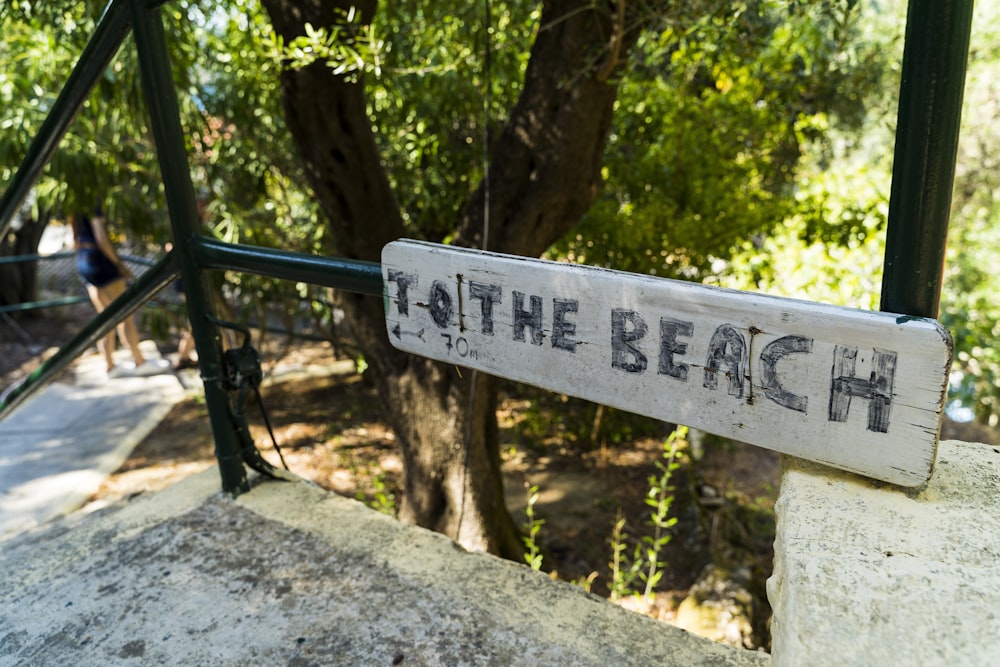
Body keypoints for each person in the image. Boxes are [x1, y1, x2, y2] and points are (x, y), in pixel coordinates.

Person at [71, 210, 169, 378]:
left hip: (83, 259)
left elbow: (73, 236)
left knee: (105, 318)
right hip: (99, 260)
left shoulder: (76, 202)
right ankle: (140, 362)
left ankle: (109, 366)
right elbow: (101, 238)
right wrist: (119, 264)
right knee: (125, 315)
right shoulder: (95, 201)